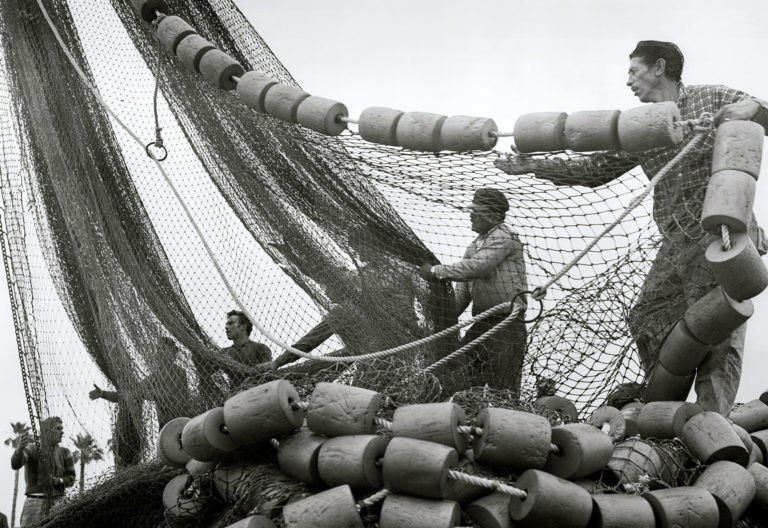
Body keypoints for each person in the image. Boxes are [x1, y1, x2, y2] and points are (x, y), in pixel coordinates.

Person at [494, 40, 768, 414]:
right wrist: (534, 166)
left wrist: (753, 107)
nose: (628, 82)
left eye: (632, 71)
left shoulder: (711, 98)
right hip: (676, 241)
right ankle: (665, 410)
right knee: (646, 316)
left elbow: (763, 114)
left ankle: (714, 425)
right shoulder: (642, 128)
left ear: (658, 67)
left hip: (721, 235)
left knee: (721, 325)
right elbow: (596, 171)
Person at [418, 187, 529, 394]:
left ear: (492, 214)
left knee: (504, 388)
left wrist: (434, 271)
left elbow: (477, 267)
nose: (471, 215)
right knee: (458, 371)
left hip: (507, 324)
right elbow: (462, 293)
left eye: (476, 211)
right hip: (481, 324)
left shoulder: (504, 237)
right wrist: (441, 319)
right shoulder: (474, 245)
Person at [271, 227, 430, 369]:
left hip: (405, 343)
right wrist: (291, 255)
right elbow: (325, 274)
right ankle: (281, 361)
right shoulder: (363, 275)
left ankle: (280, 362)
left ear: (370, 244)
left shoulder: (405, 268)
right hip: (377, 349)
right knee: (341, 314)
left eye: (359, 249)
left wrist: (427, 331)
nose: (358, 255)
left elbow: (428, 303)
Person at [89, 337, 192, 429]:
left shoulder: (179, 372)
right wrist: (103, 394)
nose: (160, 352)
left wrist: (149, 394)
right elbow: (129, 394)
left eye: (164, 349)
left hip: (183, 423)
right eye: (158, 349)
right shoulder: (154, 378)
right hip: (166, 427)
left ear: (173, 354)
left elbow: (173, 398)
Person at [10, 417, 75, 526]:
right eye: (58, 429)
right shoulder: (31, 449)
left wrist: (58, 480)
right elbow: (15, 464)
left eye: (62, 428)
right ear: (47, 431)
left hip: (59, 502)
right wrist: (19, 449)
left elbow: (71, 479)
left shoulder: (65, 453)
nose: (62, 431)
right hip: (35, 503)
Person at [221, 310, 272, 386]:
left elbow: (267, 374)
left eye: (230, 323)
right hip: (234, 396)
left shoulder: (261, 349)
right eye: (227, 324)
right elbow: (205, 371)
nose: (226, 327)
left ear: (243, 326)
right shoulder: (224, 353)